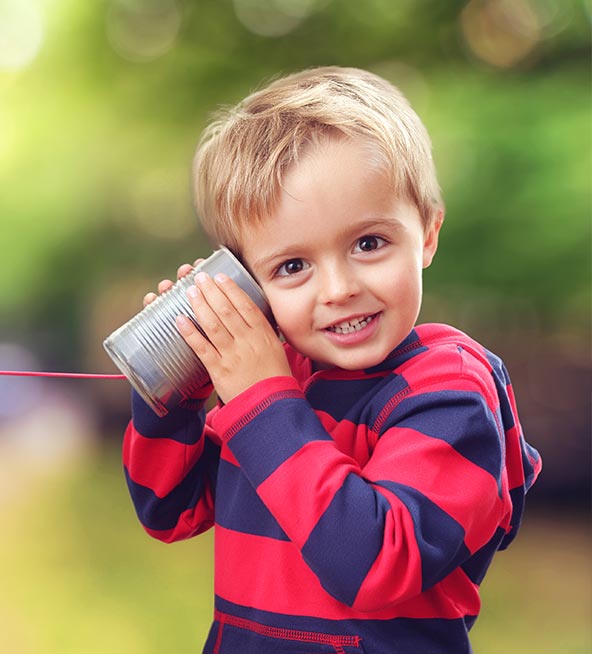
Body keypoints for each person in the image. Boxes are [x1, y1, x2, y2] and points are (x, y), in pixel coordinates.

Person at [122, 67, 541, 654]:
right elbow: (169, 511)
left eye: (369, 243)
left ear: (427, 232)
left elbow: (374, 561)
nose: (339, 288)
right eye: (292, 267)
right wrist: (179, 383)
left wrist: (261, 402)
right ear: (251, 283)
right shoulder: (279, 380)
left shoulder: (448, 390)